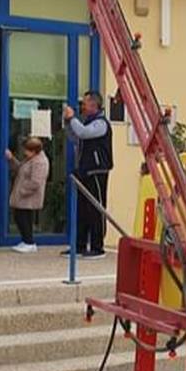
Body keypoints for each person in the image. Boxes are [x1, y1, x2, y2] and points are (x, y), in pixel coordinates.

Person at [62, 90, 113, 259]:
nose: (82, 106)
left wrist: (72, 118)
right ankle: (80, 246)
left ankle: (98, 248)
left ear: (94, 104)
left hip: (97, 171)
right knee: (82, 210)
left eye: (84, 103)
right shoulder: (87, 122)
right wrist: (68, 123)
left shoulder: (100, 123)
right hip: (84, 170)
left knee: (96, 209)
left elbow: (83, 133)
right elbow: (76, 137)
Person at [5, 137, 50, 253]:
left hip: (28, 196)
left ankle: (29, 242)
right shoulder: (31, 159)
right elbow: (20, 168)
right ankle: (26, 240)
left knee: (23, 218)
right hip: (23, 196)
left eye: (27, 150)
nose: (25, 152)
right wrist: (11, 159)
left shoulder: (39, 161)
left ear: (34, 151)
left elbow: (36, 182)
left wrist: (22, 191)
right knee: (21, 217)